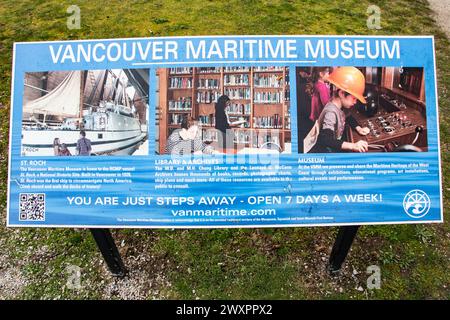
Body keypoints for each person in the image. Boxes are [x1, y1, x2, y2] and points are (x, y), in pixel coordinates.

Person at [311, 67, 370, 153]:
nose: (355, 102)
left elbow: (349, 117)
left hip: (334, 144)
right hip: (326, 151)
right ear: (342, 93)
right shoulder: (331, 112)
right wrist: (353, 146)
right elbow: (326, 139)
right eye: (354, 98)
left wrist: (359, 129)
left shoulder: (341, 106)